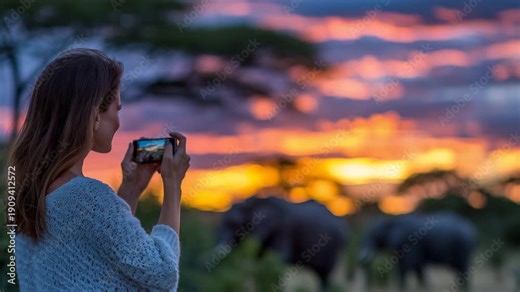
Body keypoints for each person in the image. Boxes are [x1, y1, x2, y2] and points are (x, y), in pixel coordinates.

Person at [7, 48, 190, 291]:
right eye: (117, 109)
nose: (118, 121)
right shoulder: (86, 196)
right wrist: (173, 185)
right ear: (94, 115)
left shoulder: (30, 199)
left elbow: (100, 257)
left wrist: (131, 188)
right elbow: (163, 275)